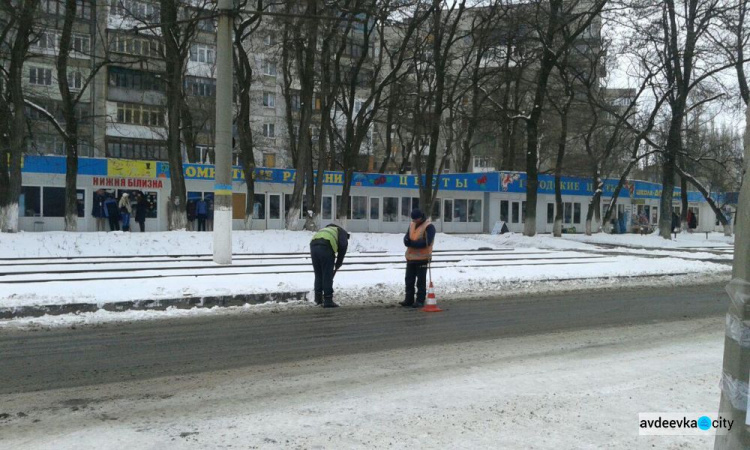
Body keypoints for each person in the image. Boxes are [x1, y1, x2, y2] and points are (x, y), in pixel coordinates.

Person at [401, 209, 436, 308]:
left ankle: (420, 300)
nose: (414, 221)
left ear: (421, 217)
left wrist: (411, 243)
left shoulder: (429, 227)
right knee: (409, 280)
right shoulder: (412, 224)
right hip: (411, 257)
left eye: (416, 219)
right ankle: (409, 300)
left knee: (420, 281)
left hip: (422, 258)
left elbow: (426, 242)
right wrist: (406, 240)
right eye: (413, 219)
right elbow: (407, 236)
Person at [310, 223, 349, 308]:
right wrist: (339, 263)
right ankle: (328, 300)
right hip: (326, 246)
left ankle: (318, 299)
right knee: (327, 274)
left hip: (313, 246)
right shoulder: (342, 233)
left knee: (318, 274)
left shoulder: (326, 230)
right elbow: (343, 247)